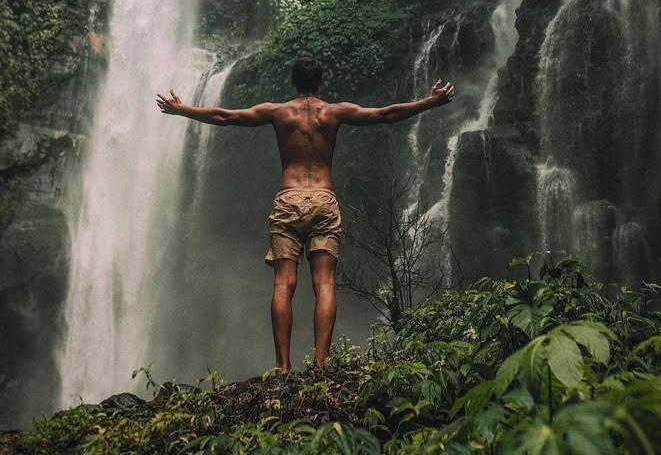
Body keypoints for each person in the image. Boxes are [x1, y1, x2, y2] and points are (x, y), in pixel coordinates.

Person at [156, 55, 455, 372]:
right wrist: (430, 102)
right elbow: (386, 114)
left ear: (292, 82)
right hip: (324, 200)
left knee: (284, 283)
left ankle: (282, 367)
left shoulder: (278, 112)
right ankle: (321, 364)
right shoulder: (335, 112)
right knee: (324, 283)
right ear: (320, 82)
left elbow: (224, 116)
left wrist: (183, 109)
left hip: (289, 199)